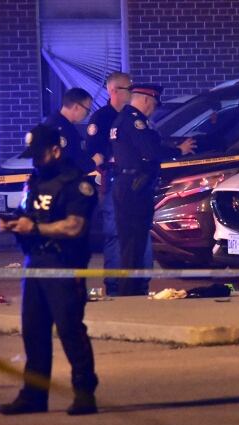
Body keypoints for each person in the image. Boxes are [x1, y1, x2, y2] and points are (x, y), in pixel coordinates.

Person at [0, 124, 99, 416]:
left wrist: (37, 228)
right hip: (35, 264)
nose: (36, 161)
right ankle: (33, 395)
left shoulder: (76, 184)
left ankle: (84, 393)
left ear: (56, 150)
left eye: (40, 155)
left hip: (64, 265)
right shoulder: (35, 180)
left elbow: (75, 226)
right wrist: (12, 223)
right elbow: (27, 213)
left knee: (70, 330)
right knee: (34, 332)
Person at [110, 84, 196, 295]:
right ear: (147, 100)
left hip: (127, 183)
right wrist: (178, 150)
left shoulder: (123, 118)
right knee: (135, 240)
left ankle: (130, 287)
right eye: (154, 105)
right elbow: (150, 151)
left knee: (131, 239)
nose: (153, 110)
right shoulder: (136, 121)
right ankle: (130, 289)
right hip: (135, 186)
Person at [86, 72, 134, 296]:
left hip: (130, 181)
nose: (131, 91)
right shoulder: (101, 118)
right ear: (113, 91)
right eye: (128, 88)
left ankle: (130, 281)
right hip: (110, 180)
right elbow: (94, 152)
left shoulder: (130, 116)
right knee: (114, 232)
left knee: (131, 232)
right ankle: (114, 284)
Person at [45, 87, 96, 174]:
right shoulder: (58, 129)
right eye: (87, 111)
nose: (88, 115)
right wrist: (93, 162)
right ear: (76, 107)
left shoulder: (64, 126)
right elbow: (69, 164)